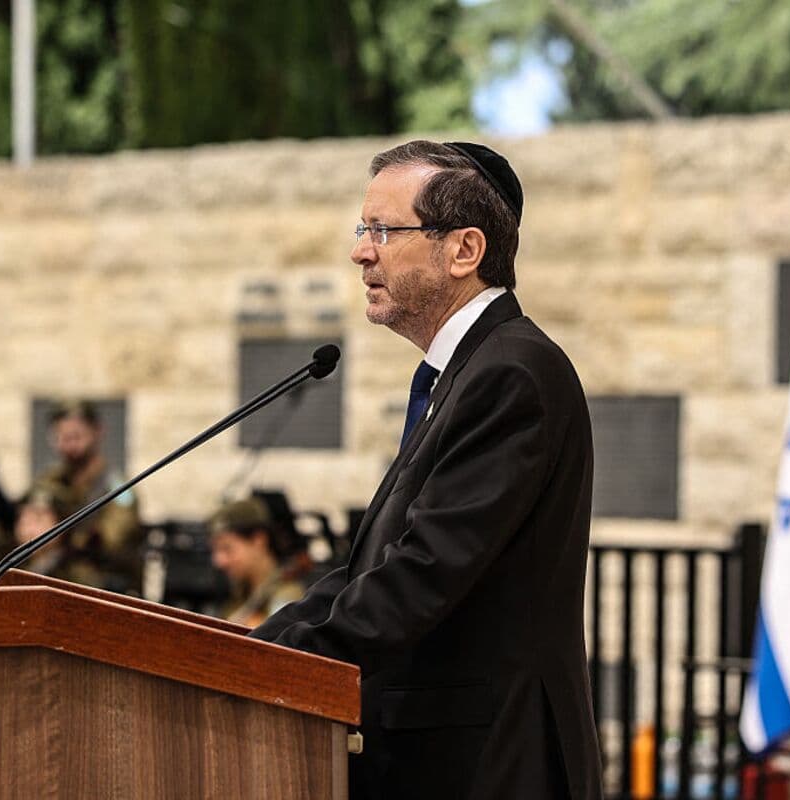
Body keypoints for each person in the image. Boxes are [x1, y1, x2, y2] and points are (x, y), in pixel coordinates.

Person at [249, 141, 603, 799]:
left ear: (464, 250)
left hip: (491, 766)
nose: (361, 252)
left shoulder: (511, 375)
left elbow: (421, 575)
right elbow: (371, 573)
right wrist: (248, 649)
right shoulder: (469, 372)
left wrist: (264, 664)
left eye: (383, 230)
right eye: (362, 230)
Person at [23, 400, 141, 591]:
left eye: (76, 436)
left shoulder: (116, 487)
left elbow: (114, 538)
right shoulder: (50, 481)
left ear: (97, 432)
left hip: (103, 586)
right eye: (61, 437)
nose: (69, 444)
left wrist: (66, 534)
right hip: (55, 581)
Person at [207, 497, 308, 627]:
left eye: (227, 548)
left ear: (258, 540)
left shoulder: (287, 597)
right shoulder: (238, 596)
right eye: (215, 550)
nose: (219, 561)